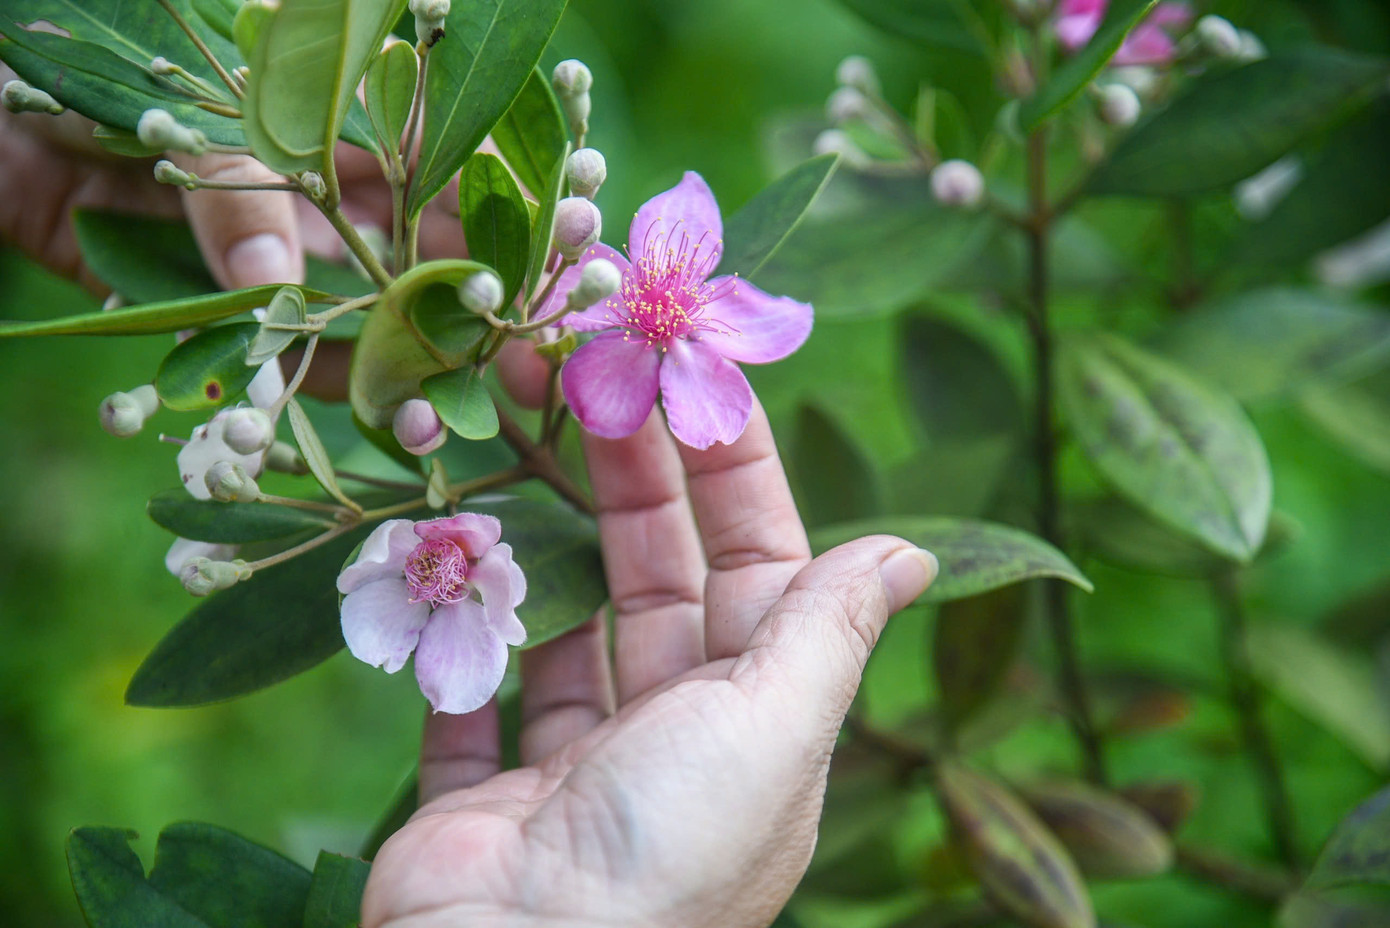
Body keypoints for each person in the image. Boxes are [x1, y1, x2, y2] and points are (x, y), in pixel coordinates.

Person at [0, 99, 939, 927]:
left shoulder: (651, 329)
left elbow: (695, 334)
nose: (662, 306)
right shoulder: (591, 326)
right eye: (652, 294)